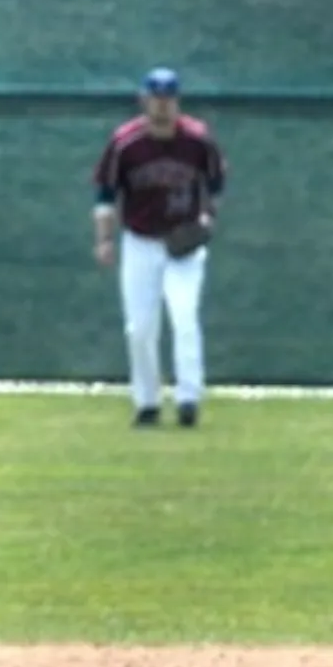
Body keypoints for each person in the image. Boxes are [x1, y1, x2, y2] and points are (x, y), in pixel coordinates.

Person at [91, 66, 228, 429]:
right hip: (140, 242)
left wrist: (207, 220)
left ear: (177, 101)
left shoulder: (198, 140)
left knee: (184, 317)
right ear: (144, 100)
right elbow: (105, 195)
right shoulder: (126, 142)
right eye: (156, 97)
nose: (162, 104)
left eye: (168, 98)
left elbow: (215, 185)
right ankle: (147, 402)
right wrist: (105, 239)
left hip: (184, 244)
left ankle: (188, 399)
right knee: (139, 327)